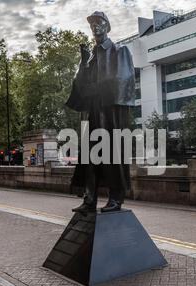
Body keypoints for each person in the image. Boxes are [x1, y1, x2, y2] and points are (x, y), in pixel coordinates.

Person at [66, 11, 135, 214]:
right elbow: (80, 86)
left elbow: (122, 81)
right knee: (89, 157)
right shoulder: (91, 56)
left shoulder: (119, 50)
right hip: (94, 111)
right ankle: (89, 199)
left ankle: (116, 198)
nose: (95, 26)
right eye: (92, 23)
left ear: (108, 26)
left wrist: (94, 89)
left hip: (111, 112)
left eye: (99, 22)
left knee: (113, 154)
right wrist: (83, 62)